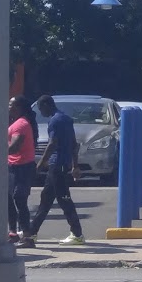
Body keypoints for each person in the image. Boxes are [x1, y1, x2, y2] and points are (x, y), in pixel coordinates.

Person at [21, 95, 84, 247]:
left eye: (41, 108)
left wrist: (40, 164)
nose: (41, 112)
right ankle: (32, 233)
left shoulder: (54, 121)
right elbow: (74, 144)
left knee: (64, 200)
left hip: (57, 165)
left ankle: (77, 234)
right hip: (63, 165)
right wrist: (75, 165)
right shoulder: (67, 119)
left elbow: (52, 144)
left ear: (47, 105)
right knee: (46, 199)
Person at [7, 97, 36, 242]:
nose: (8, 107)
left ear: (18, 107)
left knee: (20, 200)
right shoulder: (16, 122)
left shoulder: (21, 124)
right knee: (9, 199)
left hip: (22, 167)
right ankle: (12, 231)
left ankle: (27, 236)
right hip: (13, 167)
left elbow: (14, 147)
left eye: (11, 104)